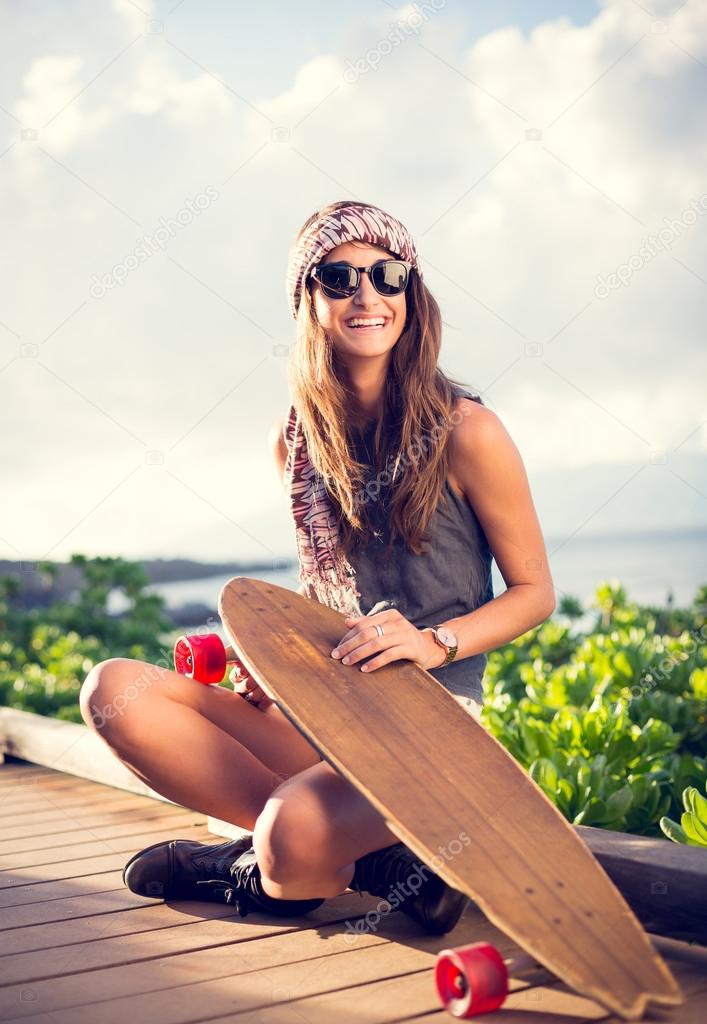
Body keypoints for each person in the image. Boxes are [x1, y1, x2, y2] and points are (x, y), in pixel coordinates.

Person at [79, 200, 555, 934]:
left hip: (435, 727)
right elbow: (328, 595)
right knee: (113, 690)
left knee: (289, 831)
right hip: (330, 705)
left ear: (410, 295)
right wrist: (270, 662)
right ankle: (382, 863)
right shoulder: (296, 442)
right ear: (309, 300)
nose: (366, 295)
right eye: (338, 278)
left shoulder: (469, 431)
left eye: (386, 276)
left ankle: (259, 868)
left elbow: (534, 594)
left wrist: (435, 643)